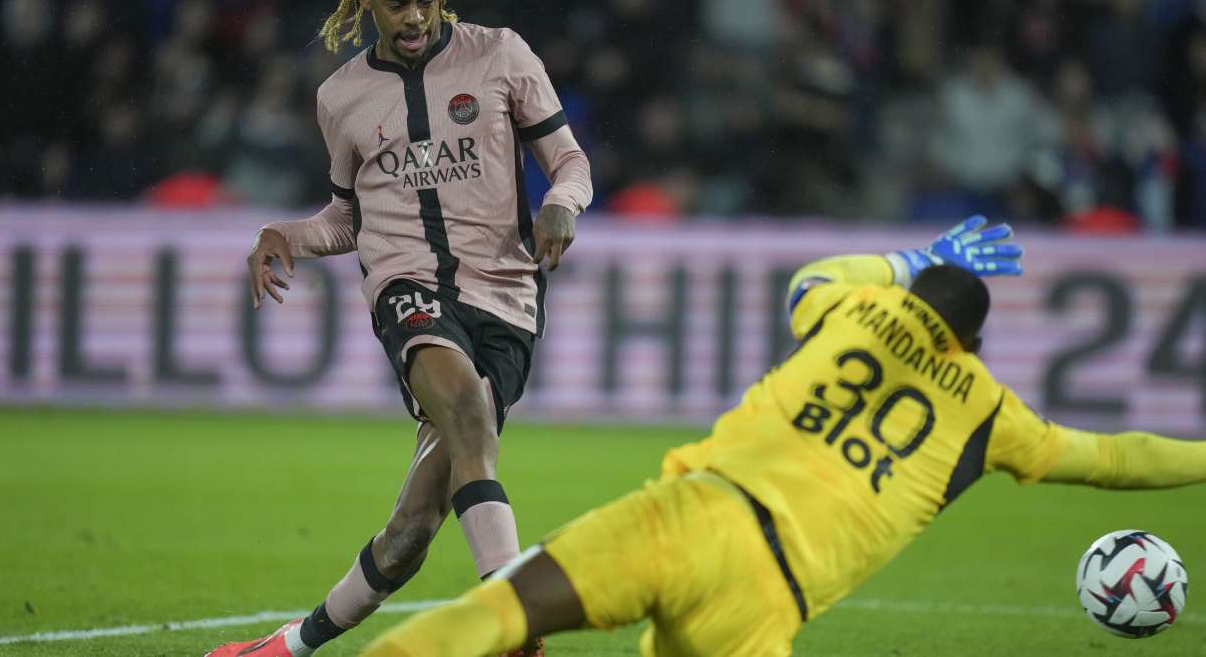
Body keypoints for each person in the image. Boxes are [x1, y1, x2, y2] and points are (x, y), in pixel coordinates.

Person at [354, 216, 1206, 657]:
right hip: (767, 603)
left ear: (914, 304)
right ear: (975, 347)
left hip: (688, 517)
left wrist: (908, 260)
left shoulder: (858, 307)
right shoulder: (989, 413)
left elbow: (815, 276)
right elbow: (1114, 459)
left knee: (490, 617)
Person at [206, 0, 591, 656]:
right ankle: (513, 623)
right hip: (407, 288)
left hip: (507, 298)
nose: (413, 19)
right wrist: (287, 235)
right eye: (397, 4)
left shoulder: (501, 54)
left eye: (425, 2)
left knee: (413, 527)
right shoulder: (342, 96)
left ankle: (287, 647)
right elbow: (349, 217)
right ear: (365, 2)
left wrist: (563, 203)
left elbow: (569, 160)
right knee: (467, 409)